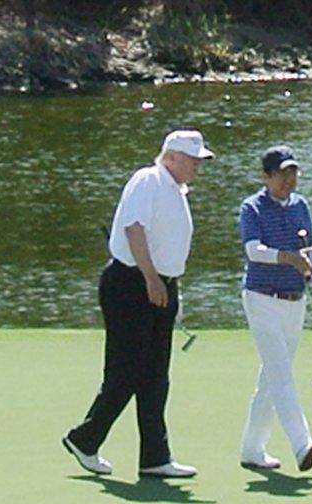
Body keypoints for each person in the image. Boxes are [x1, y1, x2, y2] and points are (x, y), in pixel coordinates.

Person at [62, 129, 214, 478]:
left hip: (160, 286)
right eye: (193, 160)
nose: (197, 167)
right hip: (131, 284)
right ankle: (85, 439)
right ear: (172, 156)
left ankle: (155, 457)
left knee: (155, 376)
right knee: (126, 370)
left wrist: (167, 283)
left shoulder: (176, 190)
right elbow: (134, 229)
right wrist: (150, 278)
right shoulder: (149, 179)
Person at [238, 145, 312, 472]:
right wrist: (287, 257)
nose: (289, 179)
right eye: (281, 174)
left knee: (272, 377)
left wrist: (311, 271)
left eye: (293, 173)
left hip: (294, 300)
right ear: (266, 176)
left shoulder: (300, 205)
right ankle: (302, 444)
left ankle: (252, 448)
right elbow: (253, 251)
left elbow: (308, 248)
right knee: (281, 374)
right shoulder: (253, 208)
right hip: (261, 298)